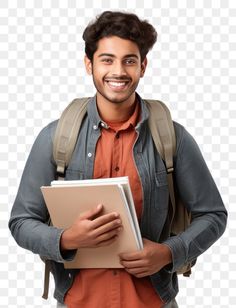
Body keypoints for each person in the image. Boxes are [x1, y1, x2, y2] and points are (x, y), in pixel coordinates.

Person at [9, 11, 227, 308]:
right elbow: (21, 222)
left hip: (152, 301)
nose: (119, 71)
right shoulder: (56, 136)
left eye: (129, 60)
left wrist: (168, 253)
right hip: (78, 301)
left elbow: (213, 215)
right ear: (90, 64)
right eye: (107, 59)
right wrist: (67, 239)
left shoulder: (171, 137)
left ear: (143, 66)